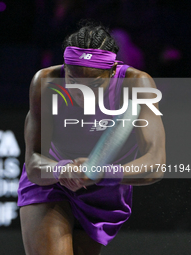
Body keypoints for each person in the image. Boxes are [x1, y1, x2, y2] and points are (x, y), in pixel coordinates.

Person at [17, 21, 166, 255]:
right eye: (73, 80)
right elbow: (34, 164)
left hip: (105, 191)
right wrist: (63, 170)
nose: (81, 92)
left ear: (113, 70)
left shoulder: (138, 84)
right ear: (64, 68)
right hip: (51, 182)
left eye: (95, 84)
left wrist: (101, 173)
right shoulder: (45, 81)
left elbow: (155, 163)